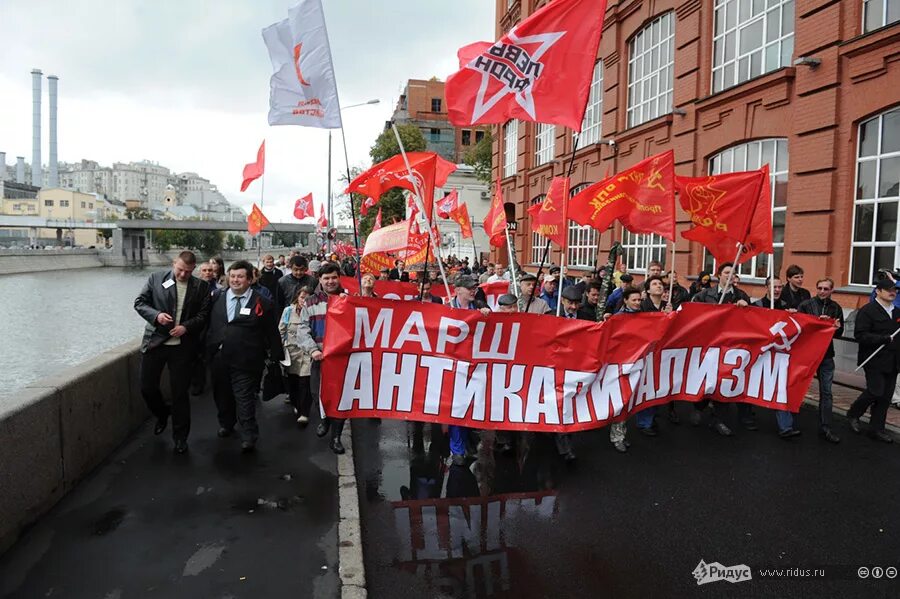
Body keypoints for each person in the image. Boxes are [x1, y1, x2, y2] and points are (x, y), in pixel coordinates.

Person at [134, 251, 210, 454]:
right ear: (173, 263)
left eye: (187, 271)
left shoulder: (201, 287)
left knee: (180, 394)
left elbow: (204, 315)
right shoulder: (156, 278)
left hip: (182, 347)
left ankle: (180, 437)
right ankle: (161, 413)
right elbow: (140, 303)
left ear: (194, 269)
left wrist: (186, 326)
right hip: (156, 343)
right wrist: (157, 316)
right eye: (180, 270)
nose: (183, 275)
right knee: (146, 387)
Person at [205, 260, 281, 452]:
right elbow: (206, 324)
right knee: (222, 394)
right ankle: (226, 423)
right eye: (232, 276)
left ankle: (249, 434)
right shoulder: (216, 297)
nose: (235, 280)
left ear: (249, 279)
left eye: (240, 277)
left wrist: (276, 357)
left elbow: (272, 332)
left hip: (247, 360)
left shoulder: (262, 302)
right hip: (219, 357)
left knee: (244, 397)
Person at [691, 262, 749, 435]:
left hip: (730, 347)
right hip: (709, 345)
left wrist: (745, 308)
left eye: (733, 273)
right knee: (706, 379)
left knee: (724, 382)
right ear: (719, 275)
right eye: (726, 272)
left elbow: (753, 319)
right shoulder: (704, 295)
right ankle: (699, 406)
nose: (730, 276)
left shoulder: (741, 295)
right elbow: (693, 314)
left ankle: (718, 419)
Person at [296, 262, 348, 453]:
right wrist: (313, 350)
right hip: (320, 358)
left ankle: (336, 437)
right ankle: (324, 419)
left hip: (342, 360)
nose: (330, 281)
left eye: (334, 277)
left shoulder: (349, 300)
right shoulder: (310, 302)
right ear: (319, 280)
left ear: (339, 278)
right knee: (317, 394)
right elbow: (302, 329)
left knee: (341, 400)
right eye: (326, 278)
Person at [846, 278, 900, 443]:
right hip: (874, 359)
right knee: (875, 391)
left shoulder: (897, 312)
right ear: (878, 291)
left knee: (885, 397)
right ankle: (854, 413)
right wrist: (882, 338)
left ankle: (876, 429)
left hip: (894, 361)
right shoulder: (868, 311)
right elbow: (860, 335)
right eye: (888, 289)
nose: (893, 292)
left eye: (895, 290)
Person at [446, 276, 491, 465]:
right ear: (457, 290)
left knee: (470, 406)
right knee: (455, 407)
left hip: (474, 366)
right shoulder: (445, 306)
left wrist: (487, 315)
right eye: (469, 288)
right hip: (452, 365)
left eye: (474, 287)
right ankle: (456, 450)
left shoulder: (480, 306)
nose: (473, 290)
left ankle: (467, 443)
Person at [752, 277, 801, 438]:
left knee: (781, 388)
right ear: (766, 287)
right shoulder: (757, 306)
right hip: (760, 354)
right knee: (750, 384)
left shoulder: (788, 307)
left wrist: (795, 316)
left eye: (780, 287)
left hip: (778, 356)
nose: (777, 289)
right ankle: (746, 417)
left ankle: (785, 426)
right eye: (774, 286)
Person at [797, 278, 844, 443]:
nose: (822, 291)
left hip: (826, 355)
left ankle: (826, 428)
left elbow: (839, 333)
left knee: (827, 392)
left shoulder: (836, 308)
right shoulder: (806, 305)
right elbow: (799, 328)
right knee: (797, 386)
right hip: (807, 354)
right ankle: (791, 423)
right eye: (820, 288)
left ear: (832, 290)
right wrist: (817, 323)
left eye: (826, 288)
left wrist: (835, 327)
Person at [606, 287, 643, 452]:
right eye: (634, 300)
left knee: (628, 402)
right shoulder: (618, 318)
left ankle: (621, 433)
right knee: (621, 401)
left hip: (636, 364)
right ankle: (617, 437)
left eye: (639, 300)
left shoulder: (644, 317)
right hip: (620, 365)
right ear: (626, 300)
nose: (637, 303)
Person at [279, 286, 314, 426]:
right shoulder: (288, 311)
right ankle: (296, 404)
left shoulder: (313, 312)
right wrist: (279, 351)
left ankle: (304, 412)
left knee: (305, 382)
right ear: (297, 297)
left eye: (307, 298)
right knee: (293, 383)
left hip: (307, 352)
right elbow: (281, 330)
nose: (304, 301)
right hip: (291, 352)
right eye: (301, 297)